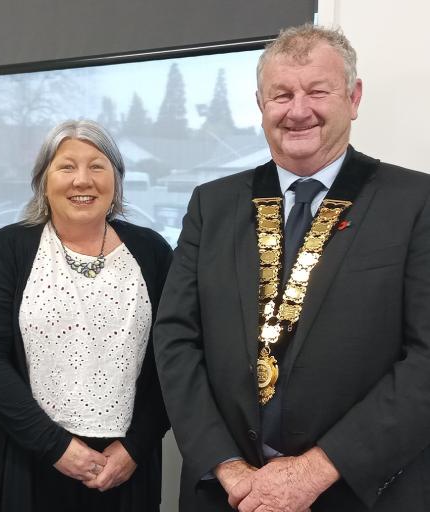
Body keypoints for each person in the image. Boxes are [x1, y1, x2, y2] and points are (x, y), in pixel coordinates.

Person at [153, 23, 430, 512]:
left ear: (353, 96)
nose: (298, 110)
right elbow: (175, 340)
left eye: (317, 91)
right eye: (281, 95)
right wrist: (229, 469)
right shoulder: (211, 206)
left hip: (360, 491)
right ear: (261, 106)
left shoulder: (416, 203)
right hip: (229, 495)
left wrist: (315, 470)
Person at [0, 119, 171, 512]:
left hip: (124, 468)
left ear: (116, 179)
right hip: (25, 462)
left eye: (97, 166)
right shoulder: (6, 249)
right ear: (44, 179)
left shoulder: (153, 252)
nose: (82, 180)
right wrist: (55, 446)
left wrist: (135, 446)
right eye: (66, 166)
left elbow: (174, 358)